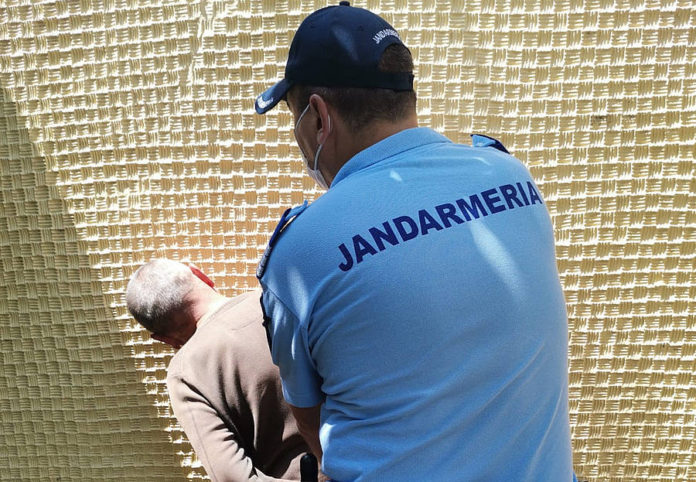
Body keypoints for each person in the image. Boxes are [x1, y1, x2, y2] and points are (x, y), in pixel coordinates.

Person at [254, 2, 577, 481]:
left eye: (294, 117)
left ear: (318, 117)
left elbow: (312, 425)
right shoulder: (510, 174)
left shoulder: (300, 255)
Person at [125, 259, 309, 481]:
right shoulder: (282, 302)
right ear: (200, 275)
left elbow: (233, 477)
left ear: (164, 340)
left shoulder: (185, 373)